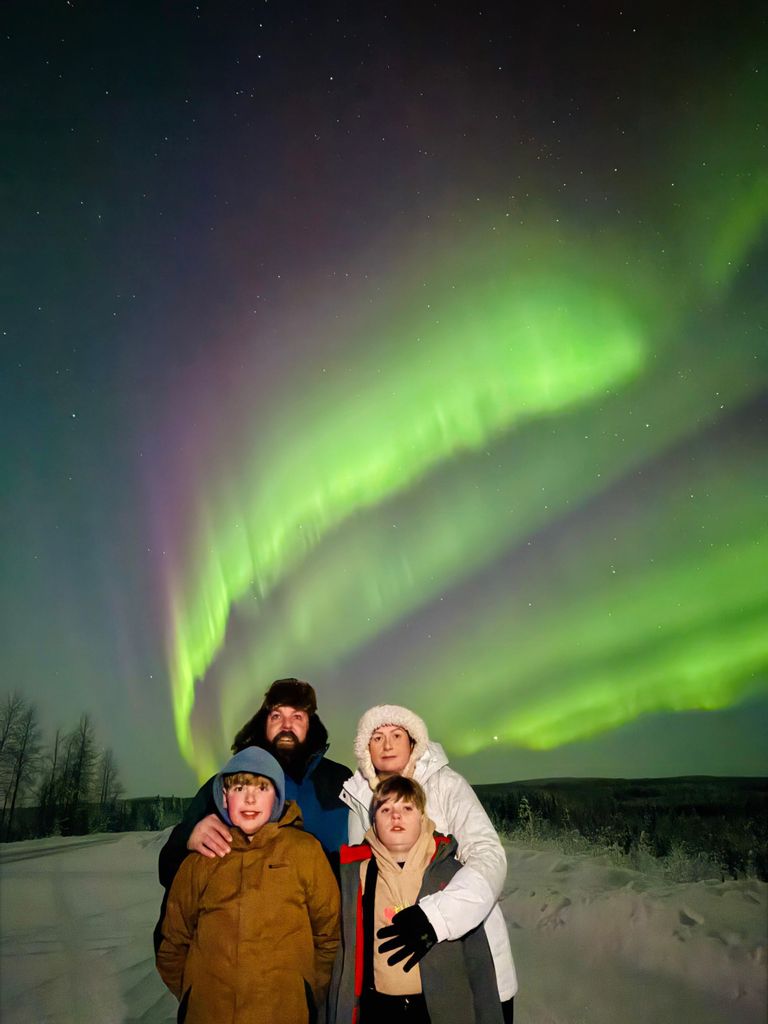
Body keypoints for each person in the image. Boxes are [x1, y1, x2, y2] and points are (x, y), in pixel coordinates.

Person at [340, 705, 517, 1022]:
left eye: (397, 735)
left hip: (463, 955)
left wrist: (438, 916)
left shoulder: (447, 785)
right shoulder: (357, 798)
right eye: (377, 737)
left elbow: (487, 854)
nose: (388, 744)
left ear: (414, 743)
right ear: (365, 749)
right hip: (390, 979)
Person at [156, 746, 340, 1024]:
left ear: (277, 797)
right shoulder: (203, 858)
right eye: (240, 787)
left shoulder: (306, 852)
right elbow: (173, 941)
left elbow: (329, 936)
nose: (251, 798)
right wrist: (193, 994)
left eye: (262, 787)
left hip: (285, 1012)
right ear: (224, 796)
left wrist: (305, 992)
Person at [329, 775, 502, 1023]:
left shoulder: (450, 873)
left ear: (422, 818)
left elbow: (478, 961)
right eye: (386, 809)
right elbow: (340, 955)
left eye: (407, 808)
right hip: (376, 1008)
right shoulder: (354, 874)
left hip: (438, 1011)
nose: (395, 816)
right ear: (374, 822)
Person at [158, 678, 351, 893]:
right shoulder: (229, 785)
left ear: (310, 723)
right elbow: (168, 868)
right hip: (249, 922)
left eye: (297, 716)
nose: (286, 725)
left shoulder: (340, 781)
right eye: (277, 716)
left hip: (325, 921)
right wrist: (188, 839)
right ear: (264, 723)